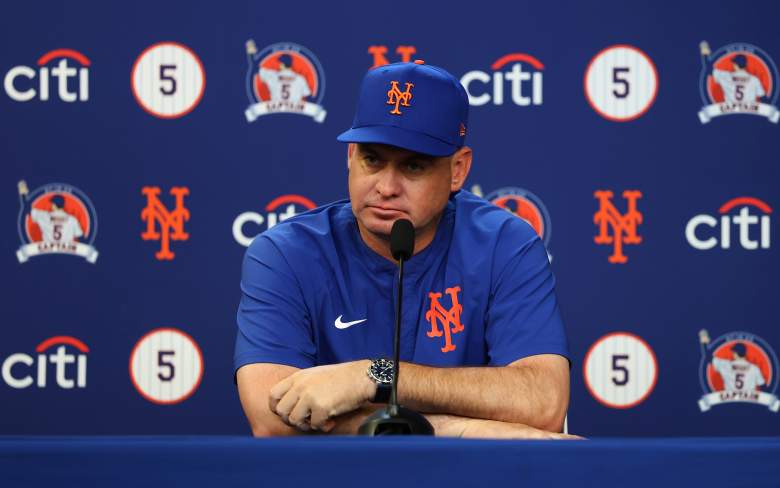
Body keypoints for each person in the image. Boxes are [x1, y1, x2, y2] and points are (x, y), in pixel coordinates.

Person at [235, 61, 574, 439]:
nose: (386, 187)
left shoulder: (505, 244)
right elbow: (272, 419)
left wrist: (374, 376)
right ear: (350, 156)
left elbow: (544, 402)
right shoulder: (285, 253)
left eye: (413, 166)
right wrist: (458, 429)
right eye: (372, 159)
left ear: (458, 170)